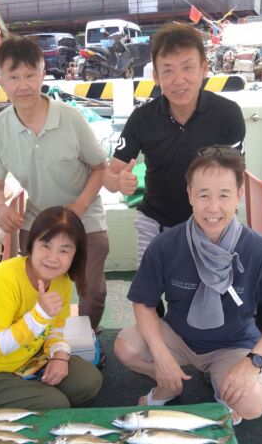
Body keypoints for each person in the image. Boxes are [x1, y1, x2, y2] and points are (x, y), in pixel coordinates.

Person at [114, 147, 262, 422]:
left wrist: (253, 362)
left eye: (224, 195)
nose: (213, 207)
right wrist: (161, 356)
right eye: (203, 195)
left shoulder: (261, 250)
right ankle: (169, 383)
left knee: (252, 403)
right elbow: (143, 303)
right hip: (178, 336)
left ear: (239, 195)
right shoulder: (166, 245)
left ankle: (223, 386)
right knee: (126, 347)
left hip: (233, 344)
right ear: (190, 194)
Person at [0, 35, 109, 335]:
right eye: (14, 77)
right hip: (38, 217)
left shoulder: (71, 119)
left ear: (43, 74)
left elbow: (100, 168)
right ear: (1, 81)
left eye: (30, 75)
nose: (23, 85)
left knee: (94, 290)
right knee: (33, 285)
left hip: (85, 215)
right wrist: (0, 208)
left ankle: (88, 336)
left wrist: (79, 206)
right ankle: (41, 341)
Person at [103, 22, 246, 267]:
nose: (179, 80)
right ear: (156, 77)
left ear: (203, 69)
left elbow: (236, 178)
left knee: (213, 287)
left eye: (187, 68)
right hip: (155, 223)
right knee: (148, 288)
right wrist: (118, 182)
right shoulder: (142, 118)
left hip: (211, 221)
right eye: (168, 71)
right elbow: (109, 175)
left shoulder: (228, 114)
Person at [0, 206, 102, 412]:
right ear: (31, 244)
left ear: (76, 254)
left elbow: (56, 327)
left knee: (88, 381)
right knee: (55, 404)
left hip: (26, 362)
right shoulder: (1, 280)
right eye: (46, 245)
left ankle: (35, 402)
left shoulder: (62, 280)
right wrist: (39, 315)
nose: (53, 258)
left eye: (64, 250)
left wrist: (59, 355)